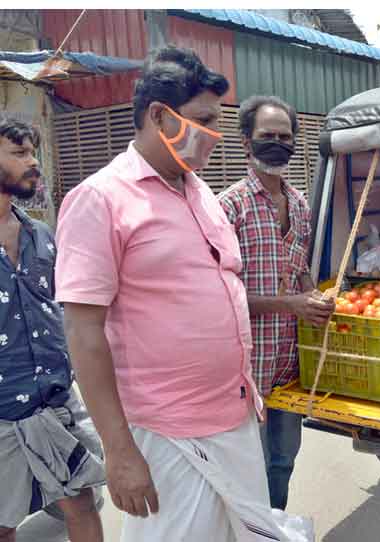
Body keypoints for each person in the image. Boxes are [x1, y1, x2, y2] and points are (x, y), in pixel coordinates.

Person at [54, 46, 291, 541]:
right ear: (159, 116)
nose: (214, 135)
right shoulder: (100, 199)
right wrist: (119, 452)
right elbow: (82, 331)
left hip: (235, 416)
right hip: (169, 432)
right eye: (203, 120)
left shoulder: (199, 190)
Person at [219, 96, 334, 510]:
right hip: (245, 371)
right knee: (247, 467)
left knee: (283, 461)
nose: (277, 143)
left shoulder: (301, 205)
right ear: (246, 144)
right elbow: (219, 299)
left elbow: (299, 269)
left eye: (285, 136)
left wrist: (314, 296)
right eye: (267, 136)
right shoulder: (229, 208)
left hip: (289, 366)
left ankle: (273, 529)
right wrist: (293, 304)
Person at [0, 117, 105, 542]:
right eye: (20, 153)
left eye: (34, 153)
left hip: (54, 403)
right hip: (3, 413)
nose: (34, 162)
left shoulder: (40, 234)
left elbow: (65, 308)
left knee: (82, 501)